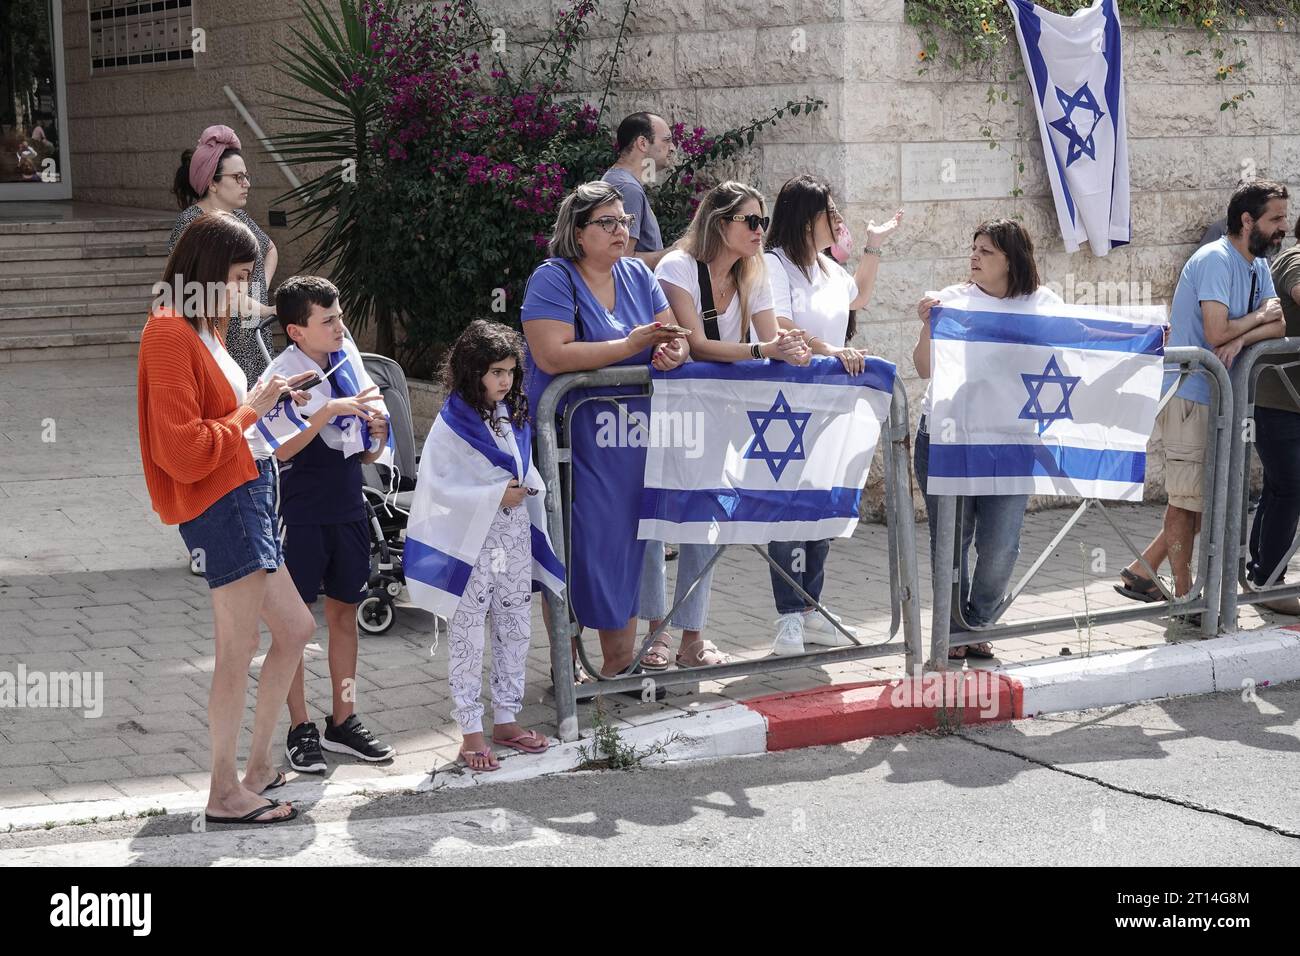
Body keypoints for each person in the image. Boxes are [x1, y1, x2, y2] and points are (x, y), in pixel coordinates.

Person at [136, 213, 316, 826]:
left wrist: (262, 401)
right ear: (210, 272)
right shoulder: (168, 333)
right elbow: (182, 449)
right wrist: (255, 409)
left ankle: (258, 769)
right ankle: (223, 792)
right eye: (242, 276)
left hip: (248, 488)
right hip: (223, 499)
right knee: (234, 652)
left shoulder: (204, 325)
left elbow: (222, 413)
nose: (250, 290)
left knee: (292, 629)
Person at [521, 181, 689, 689]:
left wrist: (672, 352)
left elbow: (674, 335)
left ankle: (618, 664)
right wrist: (630, 346)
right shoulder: (553, 278)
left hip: (632, 442)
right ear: (577, 232)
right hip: (570, 442)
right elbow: (552, 354)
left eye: (625, 222)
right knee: (571, 548)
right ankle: (566, 664)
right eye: (608, 223)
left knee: (627, 547)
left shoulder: (639, 273)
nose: (623, 230)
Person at [638, 181, 811, 670]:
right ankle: (656, 633)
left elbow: (772, 336)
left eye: (764, 222)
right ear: (719, 223)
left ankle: (693, 635)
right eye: (751, 221)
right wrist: (765, 350)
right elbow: (693, 342)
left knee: (704, 522)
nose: (761, 231)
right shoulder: (677, 266)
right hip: (672, 411)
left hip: (721, 414)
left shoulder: (755, 272)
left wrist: (807, 349)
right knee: (658, 518)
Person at [1116, 181, 1289, 613]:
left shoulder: (1258, 263)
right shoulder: (1215, 260)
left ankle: (1144, 571)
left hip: (1222, 397)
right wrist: (1249, 324)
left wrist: (1240, 334)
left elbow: (1280, 325)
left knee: (1204, 496)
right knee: (1185, 499)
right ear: (1247, 221)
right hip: (1191, 395)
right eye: (1276, 219)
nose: (1283, 227)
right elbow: (1216, 332)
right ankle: (1187, 597)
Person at [252, 276, 397, 772]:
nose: (341, 328)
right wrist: (325, 411)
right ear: (296, 331)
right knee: (295, 628)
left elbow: (368, 451)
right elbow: (280, 447)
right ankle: (299, 726)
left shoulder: (347, 363)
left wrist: (377, 433)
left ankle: (344, 718)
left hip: (348, 506)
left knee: (344, 617)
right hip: (300, 513)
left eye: (340, 316)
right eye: (328, 320)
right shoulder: (281, 376)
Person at [409, 320, 561, 770]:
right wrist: (495, 494)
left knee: (515, 625)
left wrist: (527, 491)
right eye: (495, 371)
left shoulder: (509, 415)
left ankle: (507, 718)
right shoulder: (451, 423)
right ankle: (471, 732)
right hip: (469, 547)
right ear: (471, 371)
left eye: (511, 371)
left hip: (510, 539)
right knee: (469, 634)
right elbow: (437, 488)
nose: (505, 380)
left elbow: (519, 467)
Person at [763, 175, 903, 656]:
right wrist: (831, 352)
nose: (836, 217)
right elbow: (779, 324)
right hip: (784, 408)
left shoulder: (827, 266)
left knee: (821, 505)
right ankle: (788, 616)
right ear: (806, 217)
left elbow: (857, 297)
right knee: (787, 510)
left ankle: (809, 607)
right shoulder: (772, 263)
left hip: (830, 407)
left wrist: (873, 246)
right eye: (829, 210)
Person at [912, 218, 1063, 660]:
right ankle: (953, 630)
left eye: (986, 251)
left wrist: (1144, 339)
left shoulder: (1043, 304)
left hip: (1013, 443)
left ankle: (978, 622)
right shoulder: (954, 301)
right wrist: (928, 325)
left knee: (1001, 544)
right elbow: (924, 367)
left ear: (1012, 260)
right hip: (949, 438)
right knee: (952, 539)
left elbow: (1086, 341)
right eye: (974, 248)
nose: (974, 257)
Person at [170, 125, 278, 381]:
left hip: (253, 333)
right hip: (217, 338)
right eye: (238, 177)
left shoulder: (240, 217)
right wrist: (264, 307)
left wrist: (256, 289)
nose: (247, 184)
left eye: (247, 176)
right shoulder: (193, 224)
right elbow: (211, 291)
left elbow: (270, 249)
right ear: (212, 183)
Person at [1248, 215, 1300, 611]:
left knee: (1278, 489)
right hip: (1278, 399)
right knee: (1288, 488)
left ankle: (1261, 575)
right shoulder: (1295, 259)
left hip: (1289, 398)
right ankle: (1269, 581)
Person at [602, 112, 676, 270]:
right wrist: (676, 251)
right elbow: (622, 261)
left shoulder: (619, 181)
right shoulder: (627, 188)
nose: (673, 148)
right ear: (642, 143)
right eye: (667, 140)